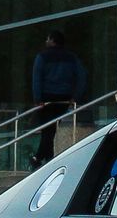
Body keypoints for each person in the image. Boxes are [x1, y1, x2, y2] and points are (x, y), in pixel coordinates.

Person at [27, 29, 88, 166]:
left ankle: (38, 158)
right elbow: (82, 76)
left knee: (48, 129)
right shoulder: (71, 57)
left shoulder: (42, 57)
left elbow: (37, 79)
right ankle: (48, 159)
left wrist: (38, 99)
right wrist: (75, 96)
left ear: (53, 40)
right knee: (51, 129)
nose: (46, 41)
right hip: (64, 98)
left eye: (48, 39)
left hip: (47, 98)